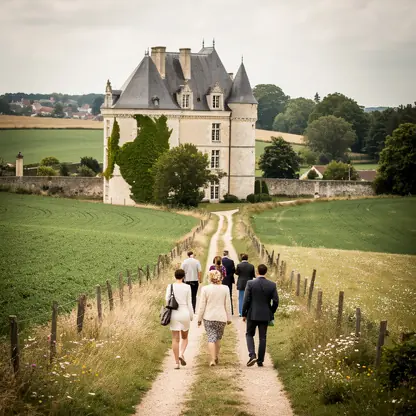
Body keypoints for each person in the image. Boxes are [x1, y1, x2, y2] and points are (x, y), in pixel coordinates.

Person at [242, 264, 279, 367]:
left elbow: (246, 300)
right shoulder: (272, 285)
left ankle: (252, 355)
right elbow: (276, 301)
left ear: (257, 272)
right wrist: (271, 311)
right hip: (265, 315)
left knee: (249, 334)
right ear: (265, 272)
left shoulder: (250, 283)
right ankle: (260, 360)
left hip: (252, 314)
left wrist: (244, 313)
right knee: (263, 337)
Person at [198, 270, 232, 366]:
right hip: (221, 317)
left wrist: (199, 319)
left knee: (211, 337)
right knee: (217, 338)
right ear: (220, 277)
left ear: (209, 277)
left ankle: (213, 359)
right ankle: (216, 356)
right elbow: (227, 304)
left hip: (209, 317)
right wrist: (229, 318)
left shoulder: (205, 289)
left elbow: (202, 305)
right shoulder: (225, 288)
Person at [165, 269, 194, 369]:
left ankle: (177, 362)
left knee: (175, 339)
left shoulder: (170, 286)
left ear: (175, 276)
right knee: (185, 337)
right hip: (185, 312)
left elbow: (167, 299)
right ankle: (181, 354)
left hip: (174, 313)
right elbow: (189, 302)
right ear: (183, 277)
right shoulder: (187, 287)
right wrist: (191, 315)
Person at [221, 250, 236, 315]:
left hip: (222, 280)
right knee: (229, 295)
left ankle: (222, 310)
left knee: (221, 295)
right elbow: (233, 271)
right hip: (229, 280)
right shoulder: (231, 261)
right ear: (228, 254)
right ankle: (231, 311)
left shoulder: (221, 261)